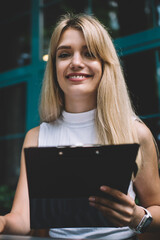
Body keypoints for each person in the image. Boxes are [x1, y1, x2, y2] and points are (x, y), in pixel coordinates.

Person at [0, 12, 160, 240]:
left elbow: (156, 208)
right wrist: (3, 222)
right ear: (54, 66)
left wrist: (137, 216)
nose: (76, 63)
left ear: (105, 64)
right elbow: (23, 219)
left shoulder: (134, 131)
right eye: (64, 54)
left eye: (89, 53)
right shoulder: (36, 137)